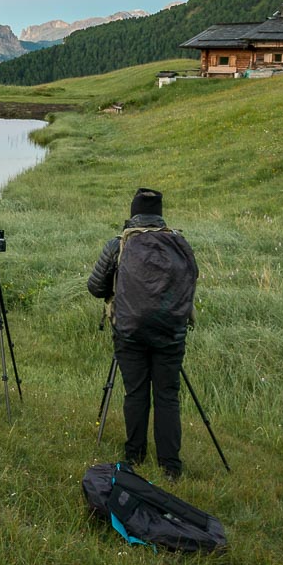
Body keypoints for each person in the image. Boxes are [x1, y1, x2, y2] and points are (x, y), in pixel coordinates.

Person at [87, 188, 198, 480]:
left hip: (130, 332)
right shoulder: (179, 243)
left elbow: (95, 287)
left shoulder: (118, 245)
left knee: (135, 393)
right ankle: (170, 467)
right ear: (160, 214)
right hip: (171, 334)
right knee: (167, 396)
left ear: (133, 212)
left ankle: (134, 456)